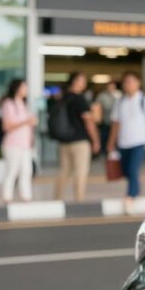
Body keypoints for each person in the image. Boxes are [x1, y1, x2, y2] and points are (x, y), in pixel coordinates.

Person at [107, 71, 145, 208]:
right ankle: (134, 191)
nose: (129, 84)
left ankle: (131, 195)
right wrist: (111, 142)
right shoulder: (120, 102)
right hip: (123, 143)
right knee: (125, 170)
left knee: (132, 169)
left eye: (131, 81)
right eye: (126, 82)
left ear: (138, 83)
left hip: (140, 142)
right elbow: (115, 124)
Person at [53, 72, 99, 203]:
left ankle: (57, 200)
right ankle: (79, 200)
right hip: (79, 141)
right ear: (76, 81)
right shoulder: (79, 99)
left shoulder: (63, 97)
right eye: (82, 80)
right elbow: (89, 122)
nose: (83, 83)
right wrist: (95, 140)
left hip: (64, 141)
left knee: (63, 172)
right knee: (80, 173)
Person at [0, 78, 36, 204]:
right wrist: (26, 122)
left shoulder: (24, 105)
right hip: (12, 144)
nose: (26, 90)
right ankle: (7, 196)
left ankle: (26, 195)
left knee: (27, 170)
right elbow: (7, 126)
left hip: (25, 144)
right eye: (24, 87)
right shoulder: (8, 104)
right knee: (12, 170)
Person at [94, 80, 120, 156]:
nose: (110, 88)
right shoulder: (102, 96)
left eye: (112, 86)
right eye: (109, 86)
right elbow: (97, 107)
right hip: (106, 121)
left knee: (116, 137)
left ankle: (115, 152)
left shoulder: (119, 94)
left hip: (117, 122)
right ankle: (104, 152)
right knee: (105, 137)